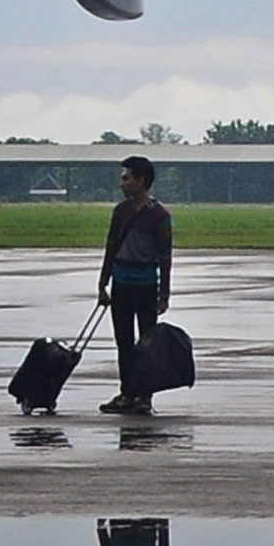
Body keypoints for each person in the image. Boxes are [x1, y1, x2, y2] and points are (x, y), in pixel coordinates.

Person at [96, 156, 173, 416]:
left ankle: (144, 396)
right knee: (124, 342)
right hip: (121, 284)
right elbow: (110, 248)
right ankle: (127, 392)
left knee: (147, 345)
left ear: (141, 181)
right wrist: (103, 283)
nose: (122, 183)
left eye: (126, 178)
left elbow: (165, 257)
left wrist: (164, 294)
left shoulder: (160, 216)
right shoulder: (120, 212)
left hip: (146, 285)